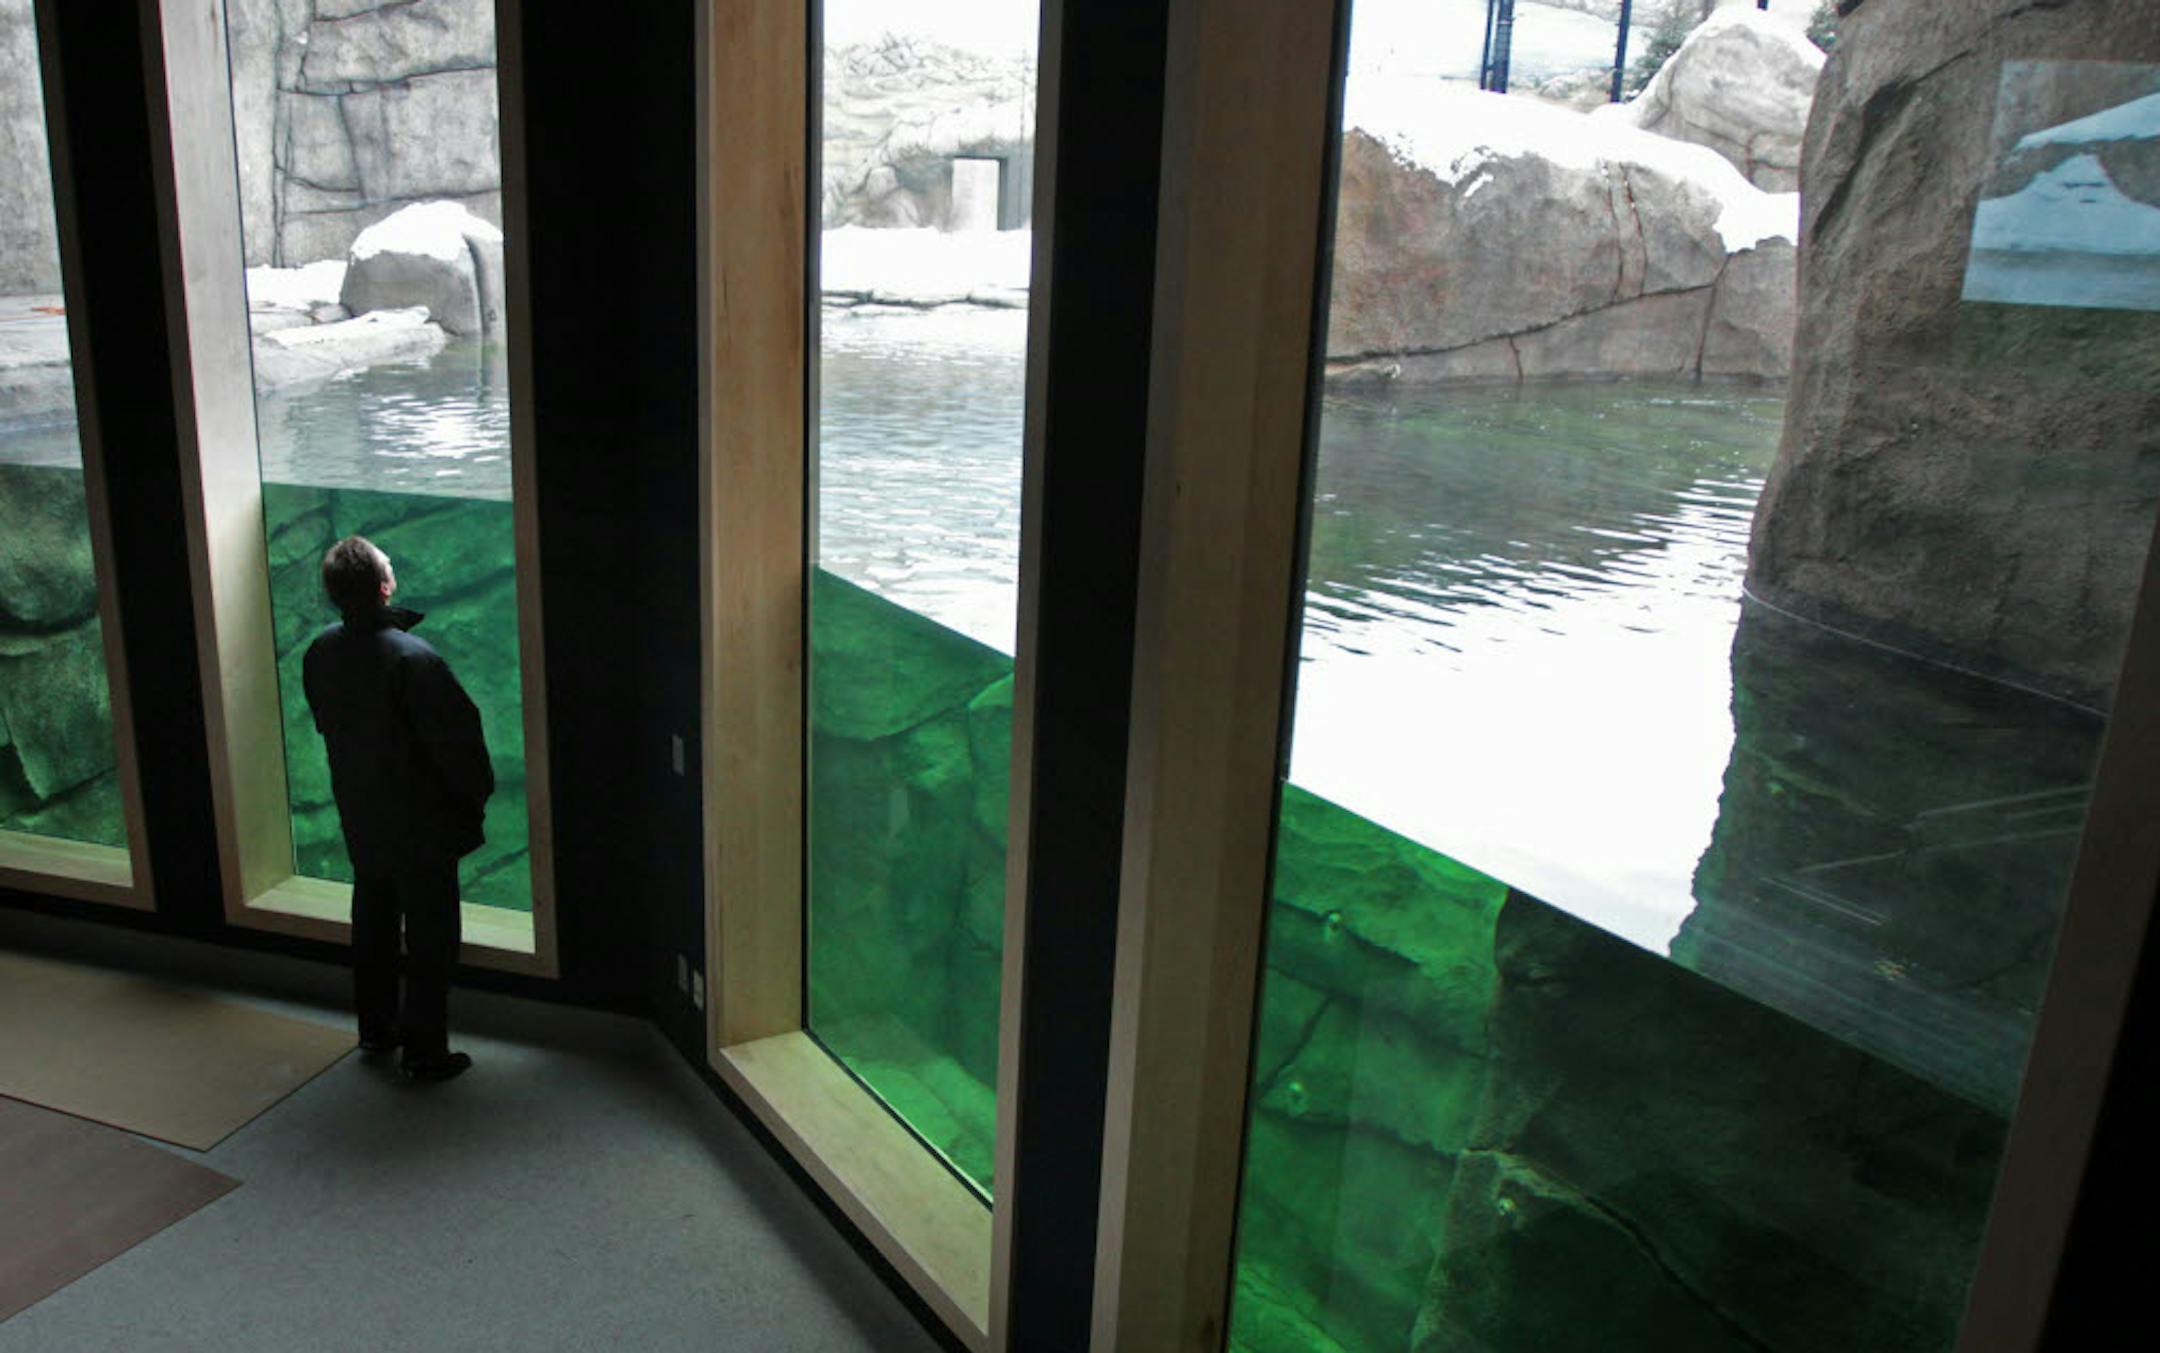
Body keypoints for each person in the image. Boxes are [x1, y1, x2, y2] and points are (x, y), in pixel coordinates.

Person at [303, 535, 493, 1082]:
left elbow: (327, 723)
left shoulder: (321, 650)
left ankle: (376, 1027)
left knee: (373, 920)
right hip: (422, 822)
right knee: (432, 936)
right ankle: (426, 1049)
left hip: (362, 812)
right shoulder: (416, 659)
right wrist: (470, 803)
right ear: (387, 587)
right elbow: (460, 749)